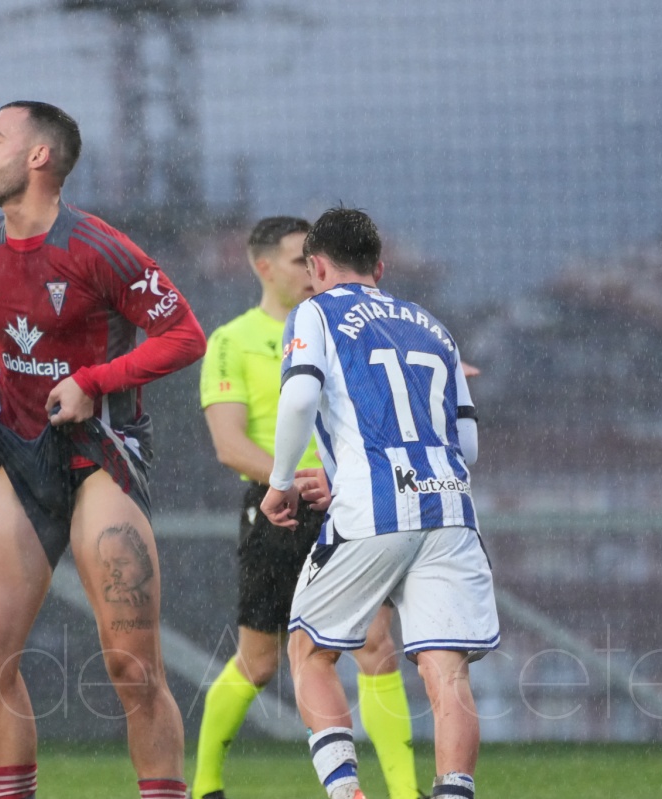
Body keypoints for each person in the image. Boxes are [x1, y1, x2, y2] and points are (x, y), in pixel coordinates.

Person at [0, 100, 206, 799]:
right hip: (21, 457)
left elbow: (185, 335)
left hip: (101, 455)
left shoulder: (99, 248)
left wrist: (93, 383)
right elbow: (0, 333)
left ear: (38, 157)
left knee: (131, 666)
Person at [261, 208, 498, 799]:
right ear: (380, 268)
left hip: (375, 508)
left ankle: (347, 793)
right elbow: (467, 445)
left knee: (310, 651)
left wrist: (281, 480)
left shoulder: (315, 312)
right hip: (449, 508)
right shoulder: (434, 327)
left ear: (316, 267)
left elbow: (299, 400)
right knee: (446, 672)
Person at [194, 216, 422, 799]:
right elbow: (228, 444)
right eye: (299, 260)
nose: (310, 270)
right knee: (259, 661)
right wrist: (290, 480)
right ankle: (204, 786)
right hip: (277, 508)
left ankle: (403, 792)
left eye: (312, 260)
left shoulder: (343, 328)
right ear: (263, 267)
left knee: (375, 645)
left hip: (349, 503)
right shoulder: (232, 341)